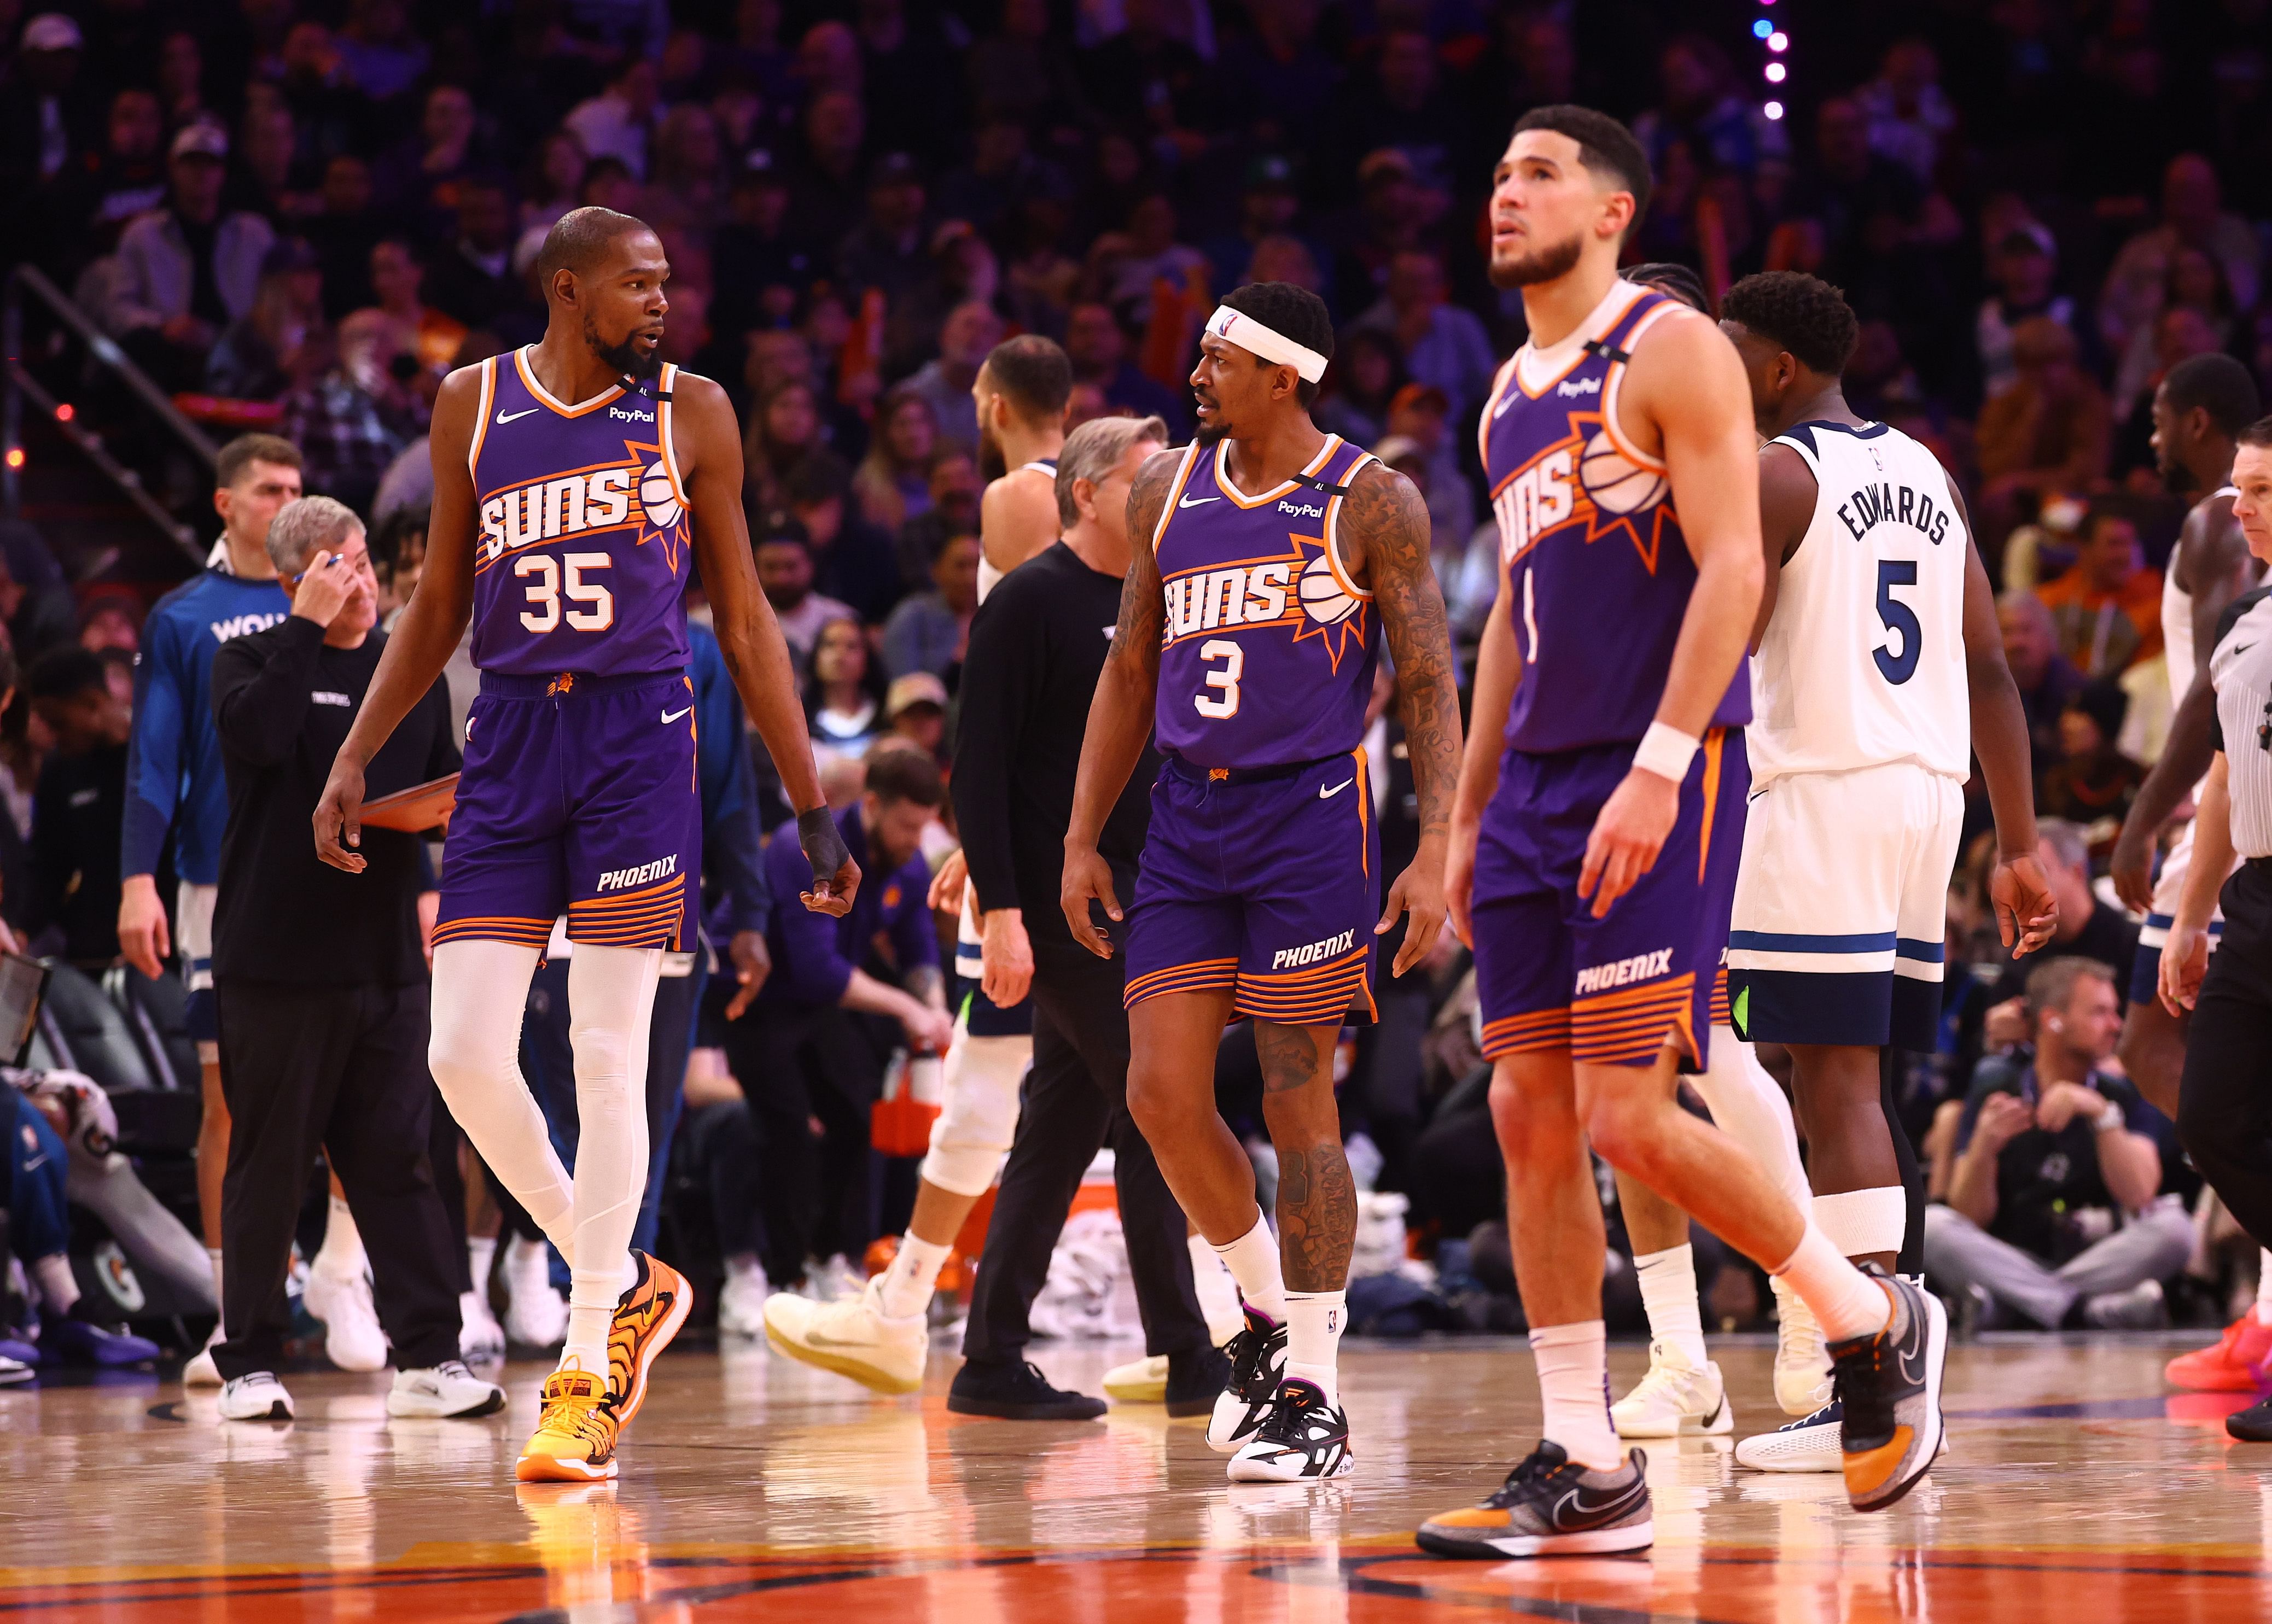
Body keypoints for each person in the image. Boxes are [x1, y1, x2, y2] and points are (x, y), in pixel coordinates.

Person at [1418, 108, 1950, 1560]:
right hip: (1530, 790)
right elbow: (1513, 630)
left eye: (1537, 172)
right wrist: (1462, 814)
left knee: (1627, 1111)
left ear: (1610, 210)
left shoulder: (1668, 347)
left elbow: (1731, 565)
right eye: (1497, 171)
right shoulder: (1502, 404)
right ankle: (1586, 1457)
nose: (1504, 192)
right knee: (1528, 1115)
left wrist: (1660, 761)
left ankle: (1864, 1314)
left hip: (1660, 768)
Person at [312, 205, 856, 1487]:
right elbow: (440, 601)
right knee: (461, 1052)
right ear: (567, 289)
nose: (660, 302)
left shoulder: (694, 411)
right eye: (636, 284)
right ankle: (627, 1279)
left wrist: (805, 798)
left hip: (634, 744)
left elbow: (746, 619)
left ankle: (582, 1361)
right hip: (506, 739)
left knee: (608, 1055)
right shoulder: (472, 404)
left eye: (667, 283)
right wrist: (356, 754)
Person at [1063, 280, 1463, 1482]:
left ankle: (1316, 1389)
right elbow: (1130, 673)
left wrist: (1434, 846)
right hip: (1186, 819)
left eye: (1218, 358)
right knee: (1161, 1095)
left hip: (1308, 824)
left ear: (1283, 376)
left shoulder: (1369, 499)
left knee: (1300, 1105)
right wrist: (1083, 835)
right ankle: (1261, 1317)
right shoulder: (1165, 488)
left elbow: (1431, 681)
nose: (1194, 374)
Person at [768, 414, 1232, 1415]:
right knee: (1161, 1108)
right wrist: (1006, 910)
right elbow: (972, 774)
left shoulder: (1154, 593)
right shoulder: (1027, 601)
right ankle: (1196, 1354)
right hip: (1060, 902)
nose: (1160, 492)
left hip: (1140, 894)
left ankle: (988, 1361)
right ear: (1086, 492)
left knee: (1059, 1128)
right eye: (1142, 477)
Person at [1711, 270, 2054, 1474]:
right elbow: (1991, 671)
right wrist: (2015, 843)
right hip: (1925, 798)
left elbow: (1714, 640)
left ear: (1776, 370)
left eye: (1725, 350)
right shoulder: (1926, 473)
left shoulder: (1779, 473)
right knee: (1834, 1075)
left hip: (1821, 790)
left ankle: (1873, 1373)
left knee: (1831, 1081)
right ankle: (1887, 1320)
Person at [1578, 265, 1824, 1451]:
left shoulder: (1717, 449)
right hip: (1595, 769)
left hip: (1702, 769)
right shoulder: (1584, 440)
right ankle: (1680, 1357)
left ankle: (1811, 1305)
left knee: (1709, 1044)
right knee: (1624, 1067)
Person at [207, 495, 500, 1425]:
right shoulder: (249, 659)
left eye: (365, 562)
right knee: (271, 1163)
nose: (361, 583)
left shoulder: (406, 673)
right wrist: (303, 629)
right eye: (337, 567)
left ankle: (430, 1357)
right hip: (276, 961)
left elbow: (447, 780)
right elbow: (257, 739)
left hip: (384, 962)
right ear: (295, 581)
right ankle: (249, 1362)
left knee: (401, 1160)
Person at [116, 434, 398, 1387]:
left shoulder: (354, 602)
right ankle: (234, 1303)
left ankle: (343, 1273)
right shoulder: (184, 617)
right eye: (269, 489)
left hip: (341, 878)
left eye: (299, 486)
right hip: (218, 879)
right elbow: (156, 755)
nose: (289, 498)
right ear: (226, 505)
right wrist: (136, 877)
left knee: (357, 1096)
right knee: (231, 1104)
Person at [2106, 354, 2268, 1391]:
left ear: (2193, 419)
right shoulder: (2246, 589)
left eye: (2159, 423)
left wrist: (2139, 820)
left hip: (2225, 824)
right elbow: (2224, 732)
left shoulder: (2211, 521)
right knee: (2197, 1082)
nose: (2150, 442)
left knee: (2151, 1037)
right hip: (2242, 843)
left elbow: (2203, 715)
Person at [2160, 418, 2272, 1442]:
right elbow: (2226, 777)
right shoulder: (2244, 621)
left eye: (2261, 489)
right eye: (2238, 487)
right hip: (2255, 901)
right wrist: (2188, 917)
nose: (2237, 505)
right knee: (2213, 1119)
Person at [744, 749, 952, 1293]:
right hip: (758, 1000)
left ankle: (830, 1257)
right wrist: (907, 1008)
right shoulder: (808, 850)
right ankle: (777, 1278)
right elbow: (817, 970)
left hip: (820, 1010)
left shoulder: (907, 868)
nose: (915, 840)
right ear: (873, 804)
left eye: (924, 827)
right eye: (907, 825)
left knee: (857, 1117)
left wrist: (933, 1006)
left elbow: (918, 950)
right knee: (788, 1129)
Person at [1927, 957, 2186, 1331]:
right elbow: (1969, 1215)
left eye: (2115, 1013)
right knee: (1934, 1227)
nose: (2116, 1026)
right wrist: (1984, 1148)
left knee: (2175, 1229)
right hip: (2010, 1252)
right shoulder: (1996, 1085)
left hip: (2097, 1257)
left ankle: (2015, 1306)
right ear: (2053, 1019)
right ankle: (2087, 1312)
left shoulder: (2124, 1092)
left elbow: (2140, 1195)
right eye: (2100, 1012)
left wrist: (2101, 1114)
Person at [2036, 510, 2164, 679]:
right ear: (2084, 548)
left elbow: (2147, 680)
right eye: (2114, 544)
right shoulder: (2047, 601)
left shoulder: (2154, 604)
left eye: (2129, 544)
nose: (2124, 555)